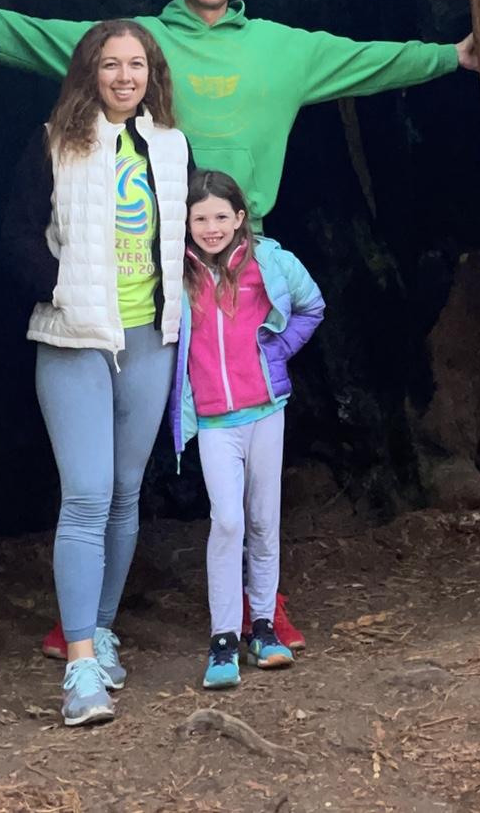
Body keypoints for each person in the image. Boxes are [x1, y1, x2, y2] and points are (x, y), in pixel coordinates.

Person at [0, 0, 478, 652]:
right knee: (112, 472)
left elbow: (366, 60)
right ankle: (85, 622)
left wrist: (451, 56)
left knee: (247, 434)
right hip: (159, 268)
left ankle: (262, 605)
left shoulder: (284, 49)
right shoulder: (138, 48)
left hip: (242, 271)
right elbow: (31, 36)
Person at [1, 20, 191, 727]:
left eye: (136, 64)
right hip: (74, 339)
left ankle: (103, 628)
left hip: (148, 339)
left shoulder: (170, 146)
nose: (124, 76)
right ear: (90, 72)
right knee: (85, 494)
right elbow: (16, 234)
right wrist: (60, 288)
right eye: (110, 64)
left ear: (152, 74)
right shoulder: (53, 141)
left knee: (123, 493)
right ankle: (80, 664)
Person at [170, 169, 325, 689]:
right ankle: (222, 639)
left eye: (221, 216)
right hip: (215, 420)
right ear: (186, 222)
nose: (211, 228)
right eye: (200, 219)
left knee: (262, 520)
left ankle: (262, 627)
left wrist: (276, 350)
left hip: (265, 411)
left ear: (240, 218)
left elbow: (311, 305)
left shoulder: (269, 262)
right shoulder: (176, 272)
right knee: (228, 521)